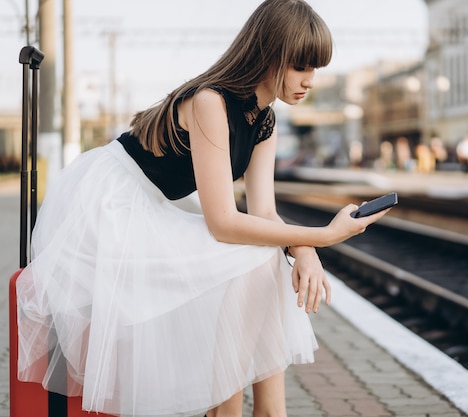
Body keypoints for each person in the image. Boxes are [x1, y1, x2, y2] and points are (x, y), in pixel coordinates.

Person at [15, 1, 391, 417]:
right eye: (301, 66)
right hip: (110, 204)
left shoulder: (264, 121)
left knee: (265, 253)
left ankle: (263, 410)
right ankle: (230, 408)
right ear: (269, 54)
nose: (310, 81)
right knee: (251, 255)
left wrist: (303, 250)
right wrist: (321, 237)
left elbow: (264, 212)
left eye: (315, 69)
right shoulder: (210, 102)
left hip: (157, 205)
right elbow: (224, 224)